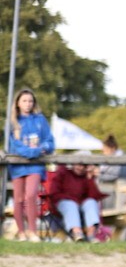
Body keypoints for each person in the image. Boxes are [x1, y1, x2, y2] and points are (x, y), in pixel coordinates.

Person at [6, 88, 55, 242]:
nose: (28, 104)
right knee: (18, 198)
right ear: (18, 103)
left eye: (30, 101)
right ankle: (21, 232)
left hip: (35, 166)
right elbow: (14, 146)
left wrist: (42, 149)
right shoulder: (13, 123)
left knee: (31, 195)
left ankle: (33, 231)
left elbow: (49, 141)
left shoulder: (40, 120)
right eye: (24, 101)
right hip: (18, 165)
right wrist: (33, 152)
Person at [48, 155, 105, 242]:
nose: (81, 168)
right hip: (64, 204)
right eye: (79, 165)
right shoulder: (63, 173)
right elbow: (54, 193)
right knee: (70, 204)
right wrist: (71, 199)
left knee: (91, 202)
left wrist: (89, 178)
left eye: (84, 166)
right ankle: (77, 233)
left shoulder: (86, 177)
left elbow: (94, 196)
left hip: (81, 204)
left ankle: (91, 234)